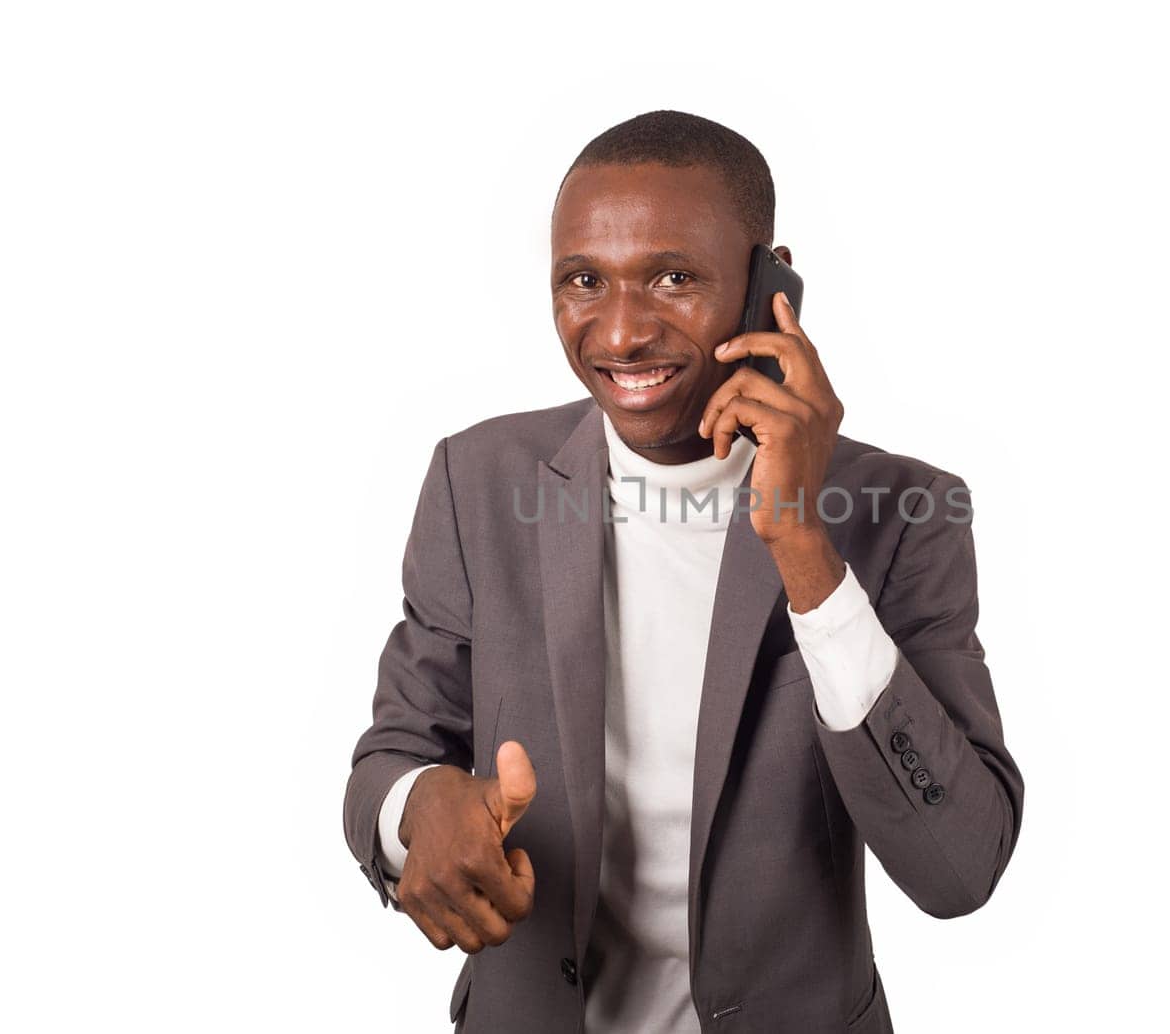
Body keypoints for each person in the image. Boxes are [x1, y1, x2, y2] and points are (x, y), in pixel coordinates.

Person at [342, 109, 1025, 1033]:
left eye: (673, 277)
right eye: (583, 280)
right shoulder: (479, 480)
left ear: (768, 283)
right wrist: (419, 808)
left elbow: (959, 866)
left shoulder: (904, 513)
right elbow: (396, 751)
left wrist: (802, 548)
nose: (620, 333)